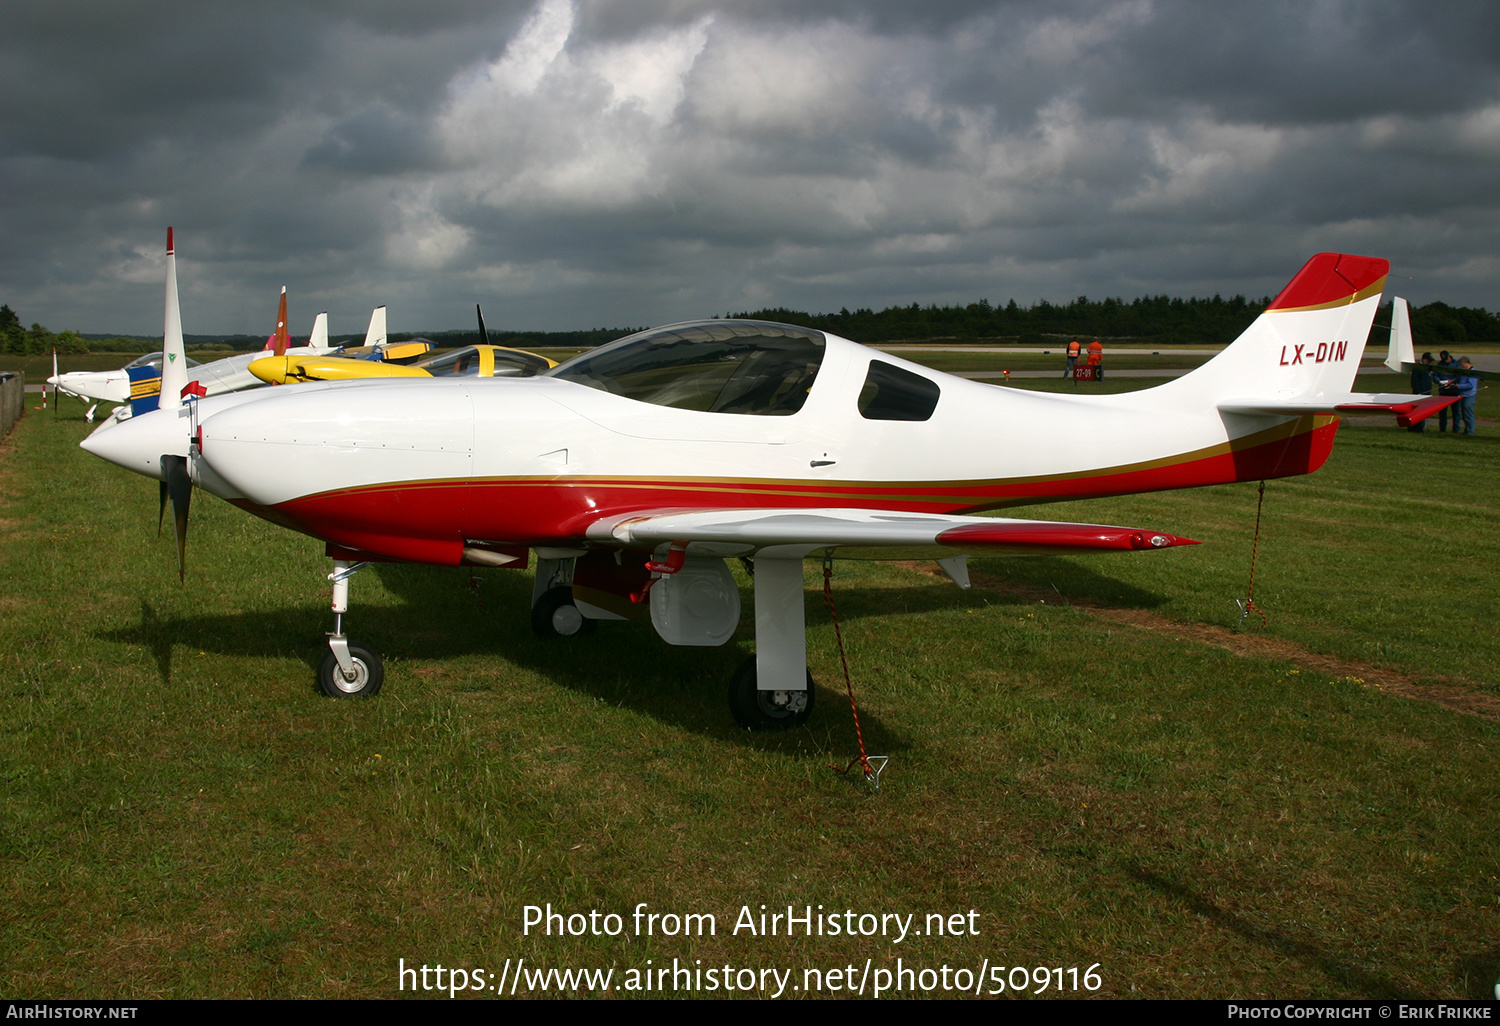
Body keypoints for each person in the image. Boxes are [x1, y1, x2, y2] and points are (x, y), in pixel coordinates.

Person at [1450, 357, 1479, 435]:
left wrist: (1458, 386)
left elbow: (1470, 385)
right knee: (1464, 414)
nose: (1461, 366)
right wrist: (1452, 381)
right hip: (1463, 395)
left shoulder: (1472, 373)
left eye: (1462, 365)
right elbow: (1459, 378)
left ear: (1466, 363)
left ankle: (1470, 431)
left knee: (1468, 414)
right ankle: (1467, 429)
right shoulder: (1464, 372)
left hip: (1469, 396)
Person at [1408, 352, 1435, 433]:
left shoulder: (1427, 368)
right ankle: (1418, 427)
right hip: (1420, 393)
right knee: (1419, 411)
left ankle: (1419, 427)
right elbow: (1414, 382)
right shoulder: (1418, 368)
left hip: (1426, 392)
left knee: (1424, 411)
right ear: (1424, 359)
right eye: (1428, 360)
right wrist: (1418, 392)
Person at [1435, 351, 1460, 432]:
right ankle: (1442, 429)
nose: (1445, 361)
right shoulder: (1440, 364)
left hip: (1454, 390)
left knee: (1456, 411)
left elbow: (1459, 376)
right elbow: (1435, 375)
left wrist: (1452, 381)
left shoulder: (1456, 364)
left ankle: (1456, 429)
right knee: (1442, 412)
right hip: (1443, 390)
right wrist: (1439, 381)